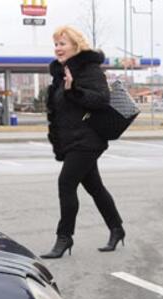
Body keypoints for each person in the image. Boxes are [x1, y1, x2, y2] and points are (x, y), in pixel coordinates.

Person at [41, 25, 125, 259]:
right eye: (56, 44)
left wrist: (73, 89)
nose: (58, 48)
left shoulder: (89, 69)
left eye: (63, 43)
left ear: (75, 45)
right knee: (94, 187)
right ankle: (117, 228)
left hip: (88, 139)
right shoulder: (60, 73)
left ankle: (64, 238)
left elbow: (101, 99)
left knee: (65, 183)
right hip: (72, 140)